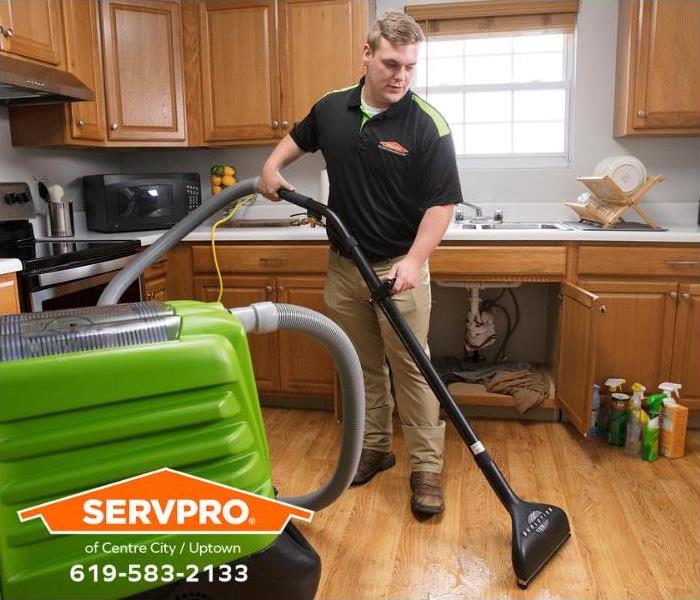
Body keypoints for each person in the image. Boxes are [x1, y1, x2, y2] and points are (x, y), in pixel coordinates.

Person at [258, 11, 462, 516]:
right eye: (392, 63)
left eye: (411, 67)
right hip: (346, 266)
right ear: (367, 56)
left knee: (412, 369)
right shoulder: (332, 109)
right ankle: (375, 449)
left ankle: (426, 468)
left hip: (399, 269)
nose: (401, 76)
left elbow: (442, 206)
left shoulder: (427, 124)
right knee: (362, 364)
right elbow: (299, 136)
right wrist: (270, 166)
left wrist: (414, 262)